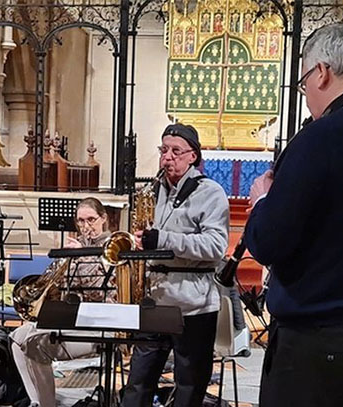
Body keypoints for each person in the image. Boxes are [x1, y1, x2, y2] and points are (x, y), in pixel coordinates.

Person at [244, 23, 343, 407]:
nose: (308, 95)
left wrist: (263, 200)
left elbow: (270, 241)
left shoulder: (321, 137)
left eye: (304, 84)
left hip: (320, 346)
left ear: (322, 73)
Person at [122, 123, 229, 407]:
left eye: (176, 151)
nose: (167, 157)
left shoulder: (211, 192)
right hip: (154, 300)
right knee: (137, 384)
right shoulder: (152, 191)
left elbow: (216, 247)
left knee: (189, 387)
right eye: (163, 150)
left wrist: (163, 239)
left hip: (193, 304)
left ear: (193, 155)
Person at [11, 197, 116, 407]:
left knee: (34, 345)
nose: (86, 227)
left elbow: (101, 291)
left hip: (100, 322)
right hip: (72, 317)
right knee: (17, 337)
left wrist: (79, 258)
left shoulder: (113, 246)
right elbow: (63, 290)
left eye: (91, 220)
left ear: (103, 218)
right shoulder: (77, 246)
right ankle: (37, 401)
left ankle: (47, 404)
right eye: (80, 221)